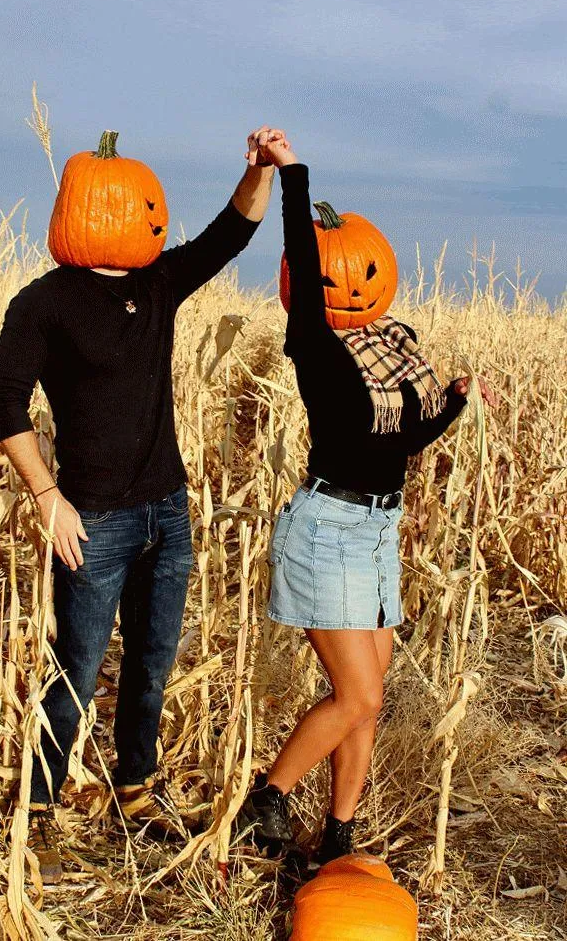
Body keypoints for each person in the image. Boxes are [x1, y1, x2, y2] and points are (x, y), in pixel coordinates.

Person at [0, 126, 284, 883]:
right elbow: (5, 405)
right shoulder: (43, 304)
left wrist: (258, 170)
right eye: (143, 206)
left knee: (152, 664)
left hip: (167, 512)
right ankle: (41, 807)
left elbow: (232, 232)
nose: (156, 216)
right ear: (96, 208)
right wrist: (48, 498)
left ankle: (135, 784)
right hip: (95, 521)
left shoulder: (157, 283)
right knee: (77, 669)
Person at [241, 136, 496, 864]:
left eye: (368, 271)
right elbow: (301, 241)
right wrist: (293, 175)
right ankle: (268, 798)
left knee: (369, 702)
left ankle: (339, 837)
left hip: (379, 532)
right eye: (333, 274)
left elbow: (404, 442)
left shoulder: (394, 350)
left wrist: (454, 402)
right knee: (356, 697)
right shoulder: (316, 344)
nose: (353, 284)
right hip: (328, 529)